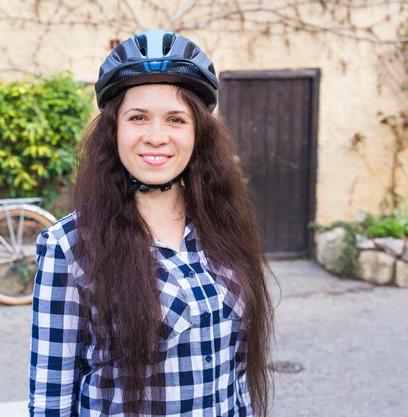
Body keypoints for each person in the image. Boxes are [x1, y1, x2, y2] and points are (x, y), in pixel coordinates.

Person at [29, 29, 273, 417]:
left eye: (176, 119)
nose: (156, 137)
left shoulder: (222, 230)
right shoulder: (70, 245)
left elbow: (238, 377)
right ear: (114, 131)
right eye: (138, 117)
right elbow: (50, 398)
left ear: (198, 135)